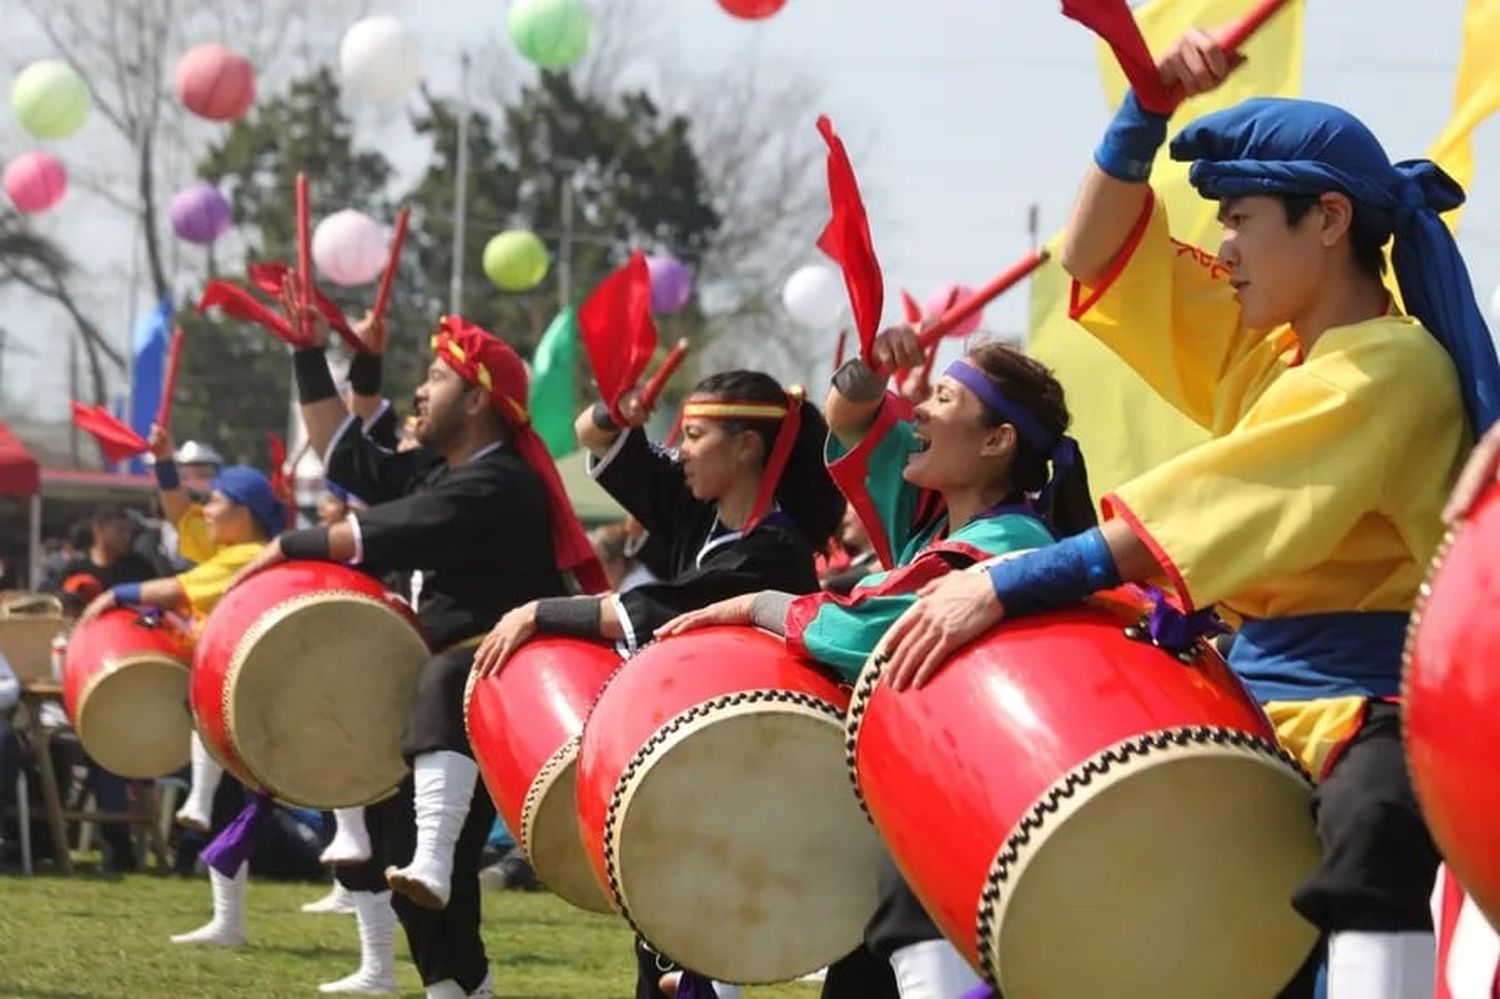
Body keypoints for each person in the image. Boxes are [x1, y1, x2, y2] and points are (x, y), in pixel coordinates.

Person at [877, 29, 1500, 999]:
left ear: (1328, 219)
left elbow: (1201, 515)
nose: (1224, 248)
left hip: (1361, 716)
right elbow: (1096, 253)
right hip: (1252, 702)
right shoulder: (1279, 351)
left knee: (1369, 838)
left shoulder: (1389, 368)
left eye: (1242, 220)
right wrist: (1145, 111)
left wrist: (1008, 583)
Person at [658, 334, 1094, 998]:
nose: (917, 410)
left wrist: (757, 604)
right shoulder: (930, 525)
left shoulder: (1012, 541)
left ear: (996, 441)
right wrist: (872, 366)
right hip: (927, 818)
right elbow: (851, 415)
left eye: (943, 398)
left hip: (981, 821)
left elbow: (872, 631)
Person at [241, 297, 601, 999]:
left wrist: (289, 543)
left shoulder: (500, 482)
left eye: (436, 376)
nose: (420, 390)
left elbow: (380, 532)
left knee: (443, 679)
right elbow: (345, 451)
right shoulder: (444, 469)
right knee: (398, 864)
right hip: (454, 702)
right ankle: (462, 985)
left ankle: (435, 860)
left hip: (501, 684)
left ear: (476, 397)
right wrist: (310, 353)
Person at [472, 368, 846, 999]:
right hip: (692, 755)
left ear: (746, 447)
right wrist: (619, 409)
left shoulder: (774, 550)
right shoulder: (699, 514)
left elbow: (663, 612)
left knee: (698, 933)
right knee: (670, 943)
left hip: (747, 764)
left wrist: (541, 611)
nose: (682, 449)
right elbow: (594, 436)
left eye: (696, 435)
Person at [77, 434, 283, 945]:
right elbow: (179, 516)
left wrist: (116, 593)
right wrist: (164, 461)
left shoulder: (251, 554)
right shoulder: (230, 544)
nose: (204, 509)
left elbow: (178, 589)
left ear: (246, 512)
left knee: (235, 806)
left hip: (250, 699)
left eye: (215, 501)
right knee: (227, 811)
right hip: (228, 696)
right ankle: (227, 921)